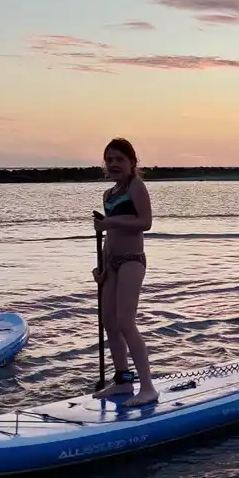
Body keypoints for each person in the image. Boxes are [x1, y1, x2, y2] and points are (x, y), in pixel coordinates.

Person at [92, 137, 157, 407]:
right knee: (109, 321)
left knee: (126, 322)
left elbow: (145, 222)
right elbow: (110, 237)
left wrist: (109, 222)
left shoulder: (136, 187)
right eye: (109, 159)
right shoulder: (109, 194)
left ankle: (148, 387)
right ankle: (123, 380)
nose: (114, 164)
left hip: (132, 260)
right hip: (113, 263)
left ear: (132, 162)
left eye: (120, 159)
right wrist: (103, 267)